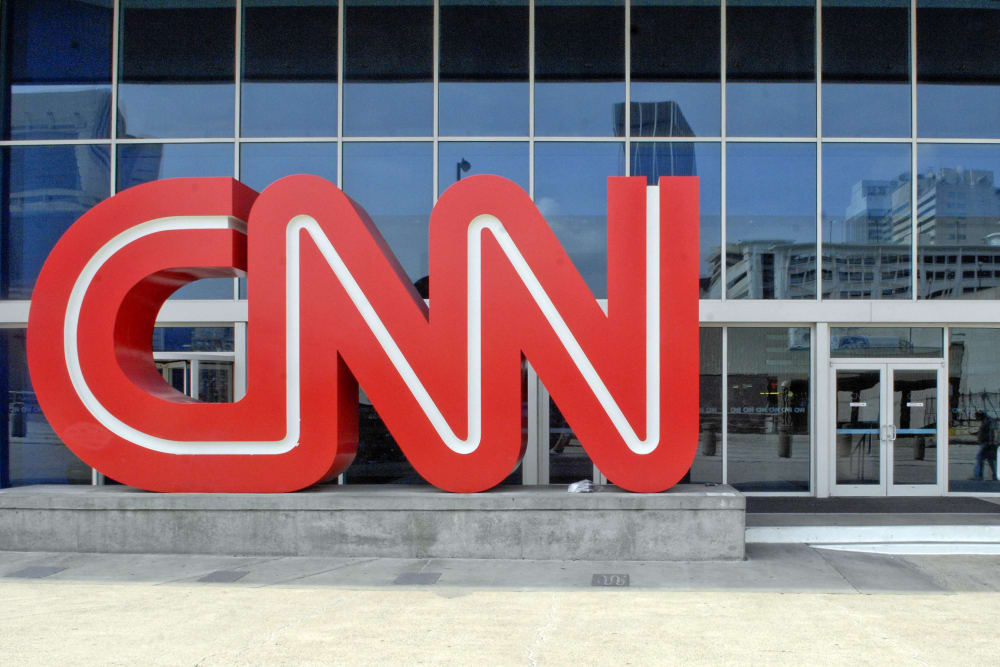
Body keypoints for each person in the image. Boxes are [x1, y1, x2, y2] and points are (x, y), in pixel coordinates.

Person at [972, 411, 997, 481]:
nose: (977, 419)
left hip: (986, 444)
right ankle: (995, 475)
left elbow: (990, 433)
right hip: (986, 443)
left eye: (977, 417)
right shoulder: (986, 421)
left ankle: (979, 475)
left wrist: (989, 442)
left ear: (980, 416)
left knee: (980, 458)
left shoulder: (987, 422)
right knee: (990, 460)